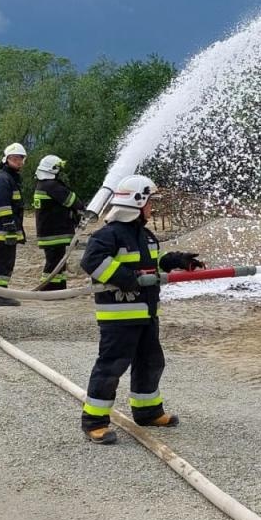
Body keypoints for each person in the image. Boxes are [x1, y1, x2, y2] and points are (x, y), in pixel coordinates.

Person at [78, 176, 203, 444]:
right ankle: (94, 421)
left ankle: (147, 411)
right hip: (119, 317)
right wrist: (125, 277)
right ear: (137, 203)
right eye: (149, 203)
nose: (152, 209)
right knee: (111, 367)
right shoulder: (108, 235)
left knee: (151, 362)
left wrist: (173, 261)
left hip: (146, 313)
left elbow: (149, 266)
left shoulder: (144, 235)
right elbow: (91, 261)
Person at [0, 142, 26, 305]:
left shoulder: (9, 177)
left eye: (20, 159)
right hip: (4, 228)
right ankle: (0, 296)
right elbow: (1, 205)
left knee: (1, 259)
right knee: (5, 260)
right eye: (14, 158)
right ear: (6, 159)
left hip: (3, 227)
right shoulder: (4, 178)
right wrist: (9, 225)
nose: (18, 161)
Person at [31, 154, 82, 289]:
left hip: (49, 231)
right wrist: (81, 208)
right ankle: (48, 289)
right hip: (55, 233)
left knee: (58, 261)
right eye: (59, 169)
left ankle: (59, 288)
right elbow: (71, 201)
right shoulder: (51, 185)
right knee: (54, 262)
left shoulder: (42, 184)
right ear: (53, 169)